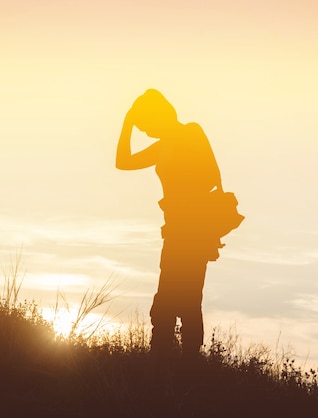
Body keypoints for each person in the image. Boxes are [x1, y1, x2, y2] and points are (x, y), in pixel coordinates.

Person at [116, 89, 224, 361]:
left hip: (192, 230)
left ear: (159, 117)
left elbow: (212, 175)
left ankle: (175, 365)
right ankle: (173, 363)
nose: (146, 132)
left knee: (177, 301)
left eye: (145, 125)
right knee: (178, 300)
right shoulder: (165, 144)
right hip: (180, 230)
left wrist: (184, 195)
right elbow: (122, 162)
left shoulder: (189, 134)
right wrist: (127, 123)